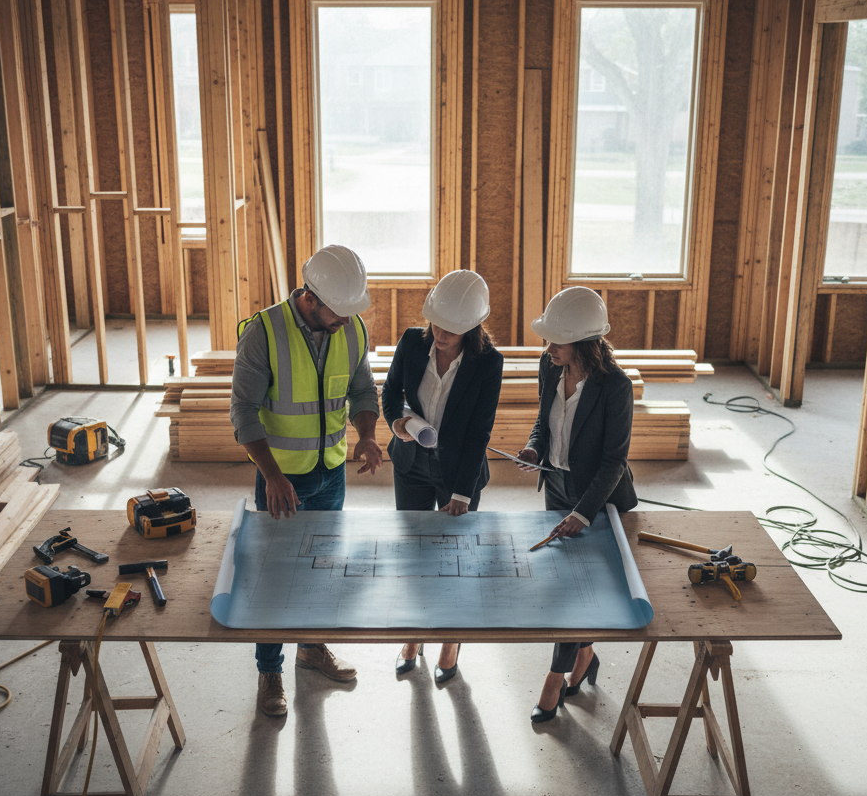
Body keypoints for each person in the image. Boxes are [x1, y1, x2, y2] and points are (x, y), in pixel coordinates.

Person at [231, 244, 384, 717]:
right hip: (281, 480)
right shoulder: (264, 332)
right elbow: (243, 411)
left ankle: (311, 647)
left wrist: (367, 435)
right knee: (274, 578)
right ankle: (269, 670)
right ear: (310, 298)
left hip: (331, 474)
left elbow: (362, 389)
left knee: (322, 568)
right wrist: (271, 475)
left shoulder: (351, 327)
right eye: (338, 310)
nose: (346, 319)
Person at [515, 287, 637, 723]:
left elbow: (613, 461)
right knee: (563, 583)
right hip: (556, 485)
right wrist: (534, 448)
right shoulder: (549, 367)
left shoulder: (616, 387)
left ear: (584, 344)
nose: (548, 349)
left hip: (598, 499)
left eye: (557, 342)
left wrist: (583, 513)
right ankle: (585, 655)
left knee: (577, 589)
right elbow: (543, 420)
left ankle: (555, 679)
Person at [381, 270, 503, 684]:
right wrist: (398, 422)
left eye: (451, 328)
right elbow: (391, 392)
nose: (440, 333)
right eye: (436, 322)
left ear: (472, 325)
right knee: (414, 553)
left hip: (459, 472)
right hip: (411, 463)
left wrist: (462, 494)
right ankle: (414, 634)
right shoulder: (412, 342)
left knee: (457, 561)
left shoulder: (488, 363)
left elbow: (479, 432)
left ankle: (451, 641)